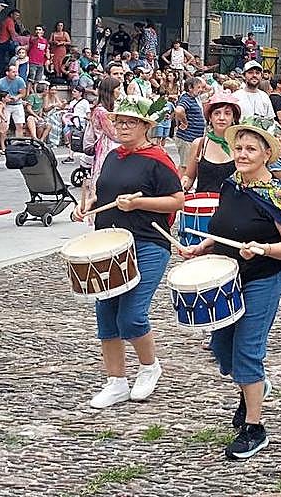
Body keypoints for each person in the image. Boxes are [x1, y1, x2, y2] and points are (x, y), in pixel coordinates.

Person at [181, 120, 281, 460]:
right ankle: (254, 388)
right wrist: (201, 246)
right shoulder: (230, 184)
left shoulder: (277, 194)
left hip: (264, 276)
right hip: (229, 274)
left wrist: (263, 249)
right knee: (222, 350)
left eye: (251, 149)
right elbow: (223, 228)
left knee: (248, 350)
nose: (242, 154)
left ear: (266, 154)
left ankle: (254, 427)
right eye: (239, 148)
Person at [71, 96, 184, 409]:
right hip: (108, 244)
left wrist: (139, 203)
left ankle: (150, 367)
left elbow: (177, 200)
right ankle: (116, 382)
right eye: (118, 122)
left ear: (146, 126)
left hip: (147, 243)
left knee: (132, 316)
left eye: (129, 122)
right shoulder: (111, 157)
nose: (121, 127)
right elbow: (101, 193)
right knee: (106, 317)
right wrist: (87, 206)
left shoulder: (158, 159)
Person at [181, 90, 242, 193]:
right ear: (210, 117)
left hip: (233, 206)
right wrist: (182, 184)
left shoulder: (241, 145)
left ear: (233, 118)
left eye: (227, 113)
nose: (221, 118)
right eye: (217, 113)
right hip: (204, 205)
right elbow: (189, 177)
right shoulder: (199, 144)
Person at [173, 77, 207, 171]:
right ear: (190, 88)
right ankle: (181, 185)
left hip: (193, 138)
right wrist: (184, 122)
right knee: (185, 166)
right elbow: (179, 110)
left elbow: (209, 89)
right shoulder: (186, 98)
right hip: (187, 137)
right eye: (198, 87)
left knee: (188, 164)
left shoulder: (195, 98)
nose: (201, 89)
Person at [0, 62, 28, 140]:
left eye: (16, 72)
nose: (16, 74)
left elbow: (23, 93)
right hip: (5, 105)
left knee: (20, 125)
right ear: (7, 73)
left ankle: (19, 144)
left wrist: (17, 97)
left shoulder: (20, 80)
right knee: (5, 126)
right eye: (13, 72)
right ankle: (4, 145)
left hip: (17, 104)